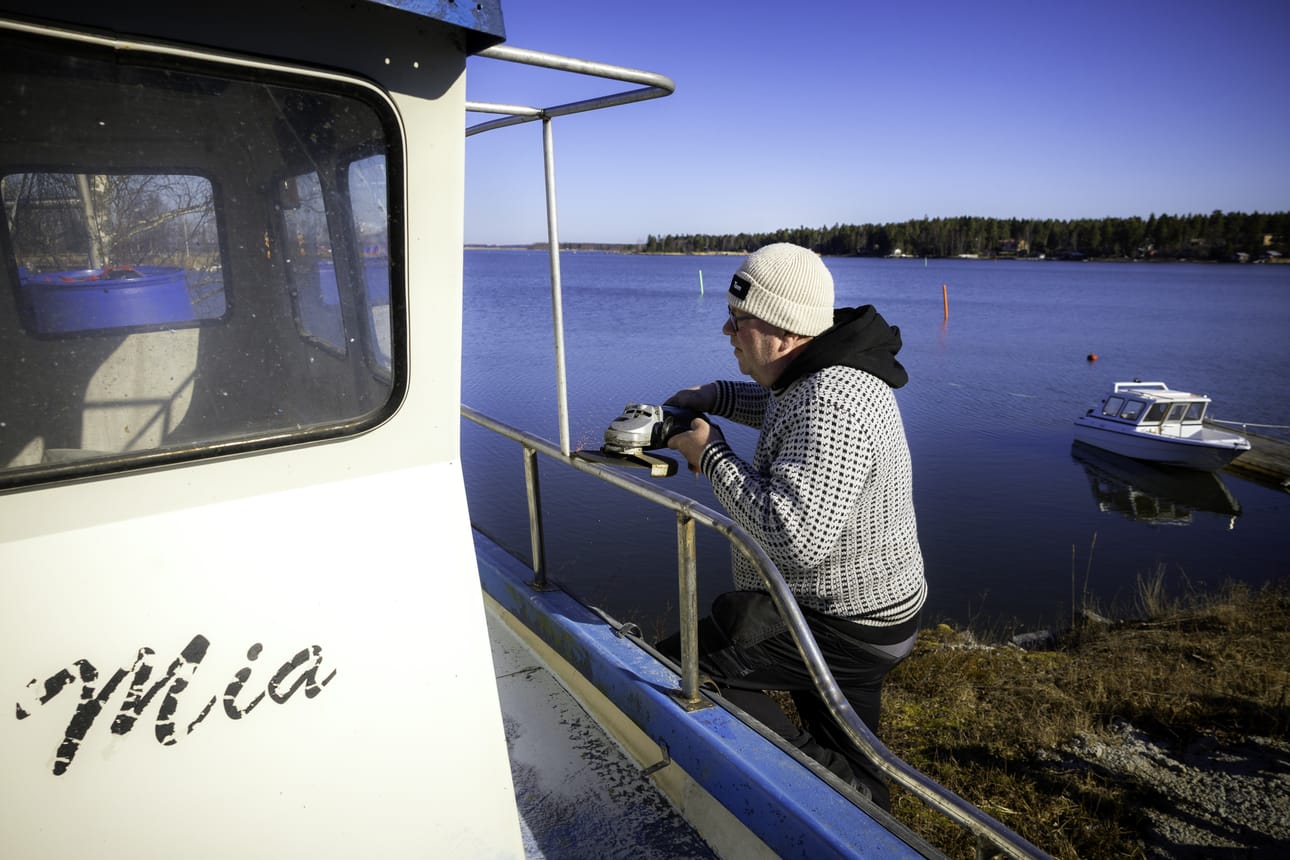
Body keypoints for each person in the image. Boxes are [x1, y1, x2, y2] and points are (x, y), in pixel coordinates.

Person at [657, 242, 926, 808]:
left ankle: (821, 781)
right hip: (876, 609)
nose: (726, 328)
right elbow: (782, 407)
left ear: (782, 331)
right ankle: (858, 800)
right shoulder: (821, 370)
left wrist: (710, 455)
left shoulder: (834, 399)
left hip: (842, 623)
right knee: (860, 765)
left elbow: (792, 539)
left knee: (684, 666)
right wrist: (716, 396)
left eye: (739, 319)